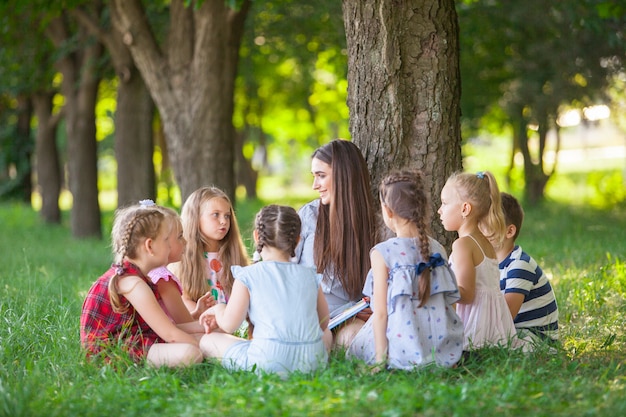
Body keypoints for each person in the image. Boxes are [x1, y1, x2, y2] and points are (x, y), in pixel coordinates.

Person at [347, 170, 464, 370]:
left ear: (388, 211)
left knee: (352, 343)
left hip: (401, 348)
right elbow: (450, 304)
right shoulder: (438, 249)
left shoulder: (382, 253)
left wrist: (379, 361)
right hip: (440, 348)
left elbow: (381, 313)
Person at [198, 205, 331, 375]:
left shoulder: (248, 275)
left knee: (208, 341)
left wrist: (218, 309)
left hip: (267, 362)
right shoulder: (310, 276)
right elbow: (324, 323)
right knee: (327, 335)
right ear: (297, 240)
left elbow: (230, 325)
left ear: (256, 236)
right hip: (312, 362)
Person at [80, 200, 206, 367]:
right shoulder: (134, 284)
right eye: (167, 240)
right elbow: (171, 334)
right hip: (114, 352)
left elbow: (169, 327)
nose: (170, 246)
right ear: (150, 246)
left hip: (136, 339)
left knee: (199, 339)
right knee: (190, 353)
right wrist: (203, 348)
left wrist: (204, 327)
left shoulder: (138, 278)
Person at [294, 139, 377, 346]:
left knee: (351, 340)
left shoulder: (375, 223)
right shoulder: (308, 216)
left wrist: (372, 305)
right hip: (307, 317)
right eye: (314, 176)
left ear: (343, 176)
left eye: (321, 176)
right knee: (319, 342)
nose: (315, 186)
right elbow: (283, 268)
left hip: (349, 318)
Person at [438, 171, 520, 350]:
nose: (440, 210)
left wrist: (438, 285)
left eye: (444, 203)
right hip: (495, 330)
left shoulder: (463, 245)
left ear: (465, 209)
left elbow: (467, 295)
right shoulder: (485, 242)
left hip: (475, 330)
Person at [170, 186, 249, 319]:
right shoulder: (183, 259)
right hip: (202, 322)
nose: (224, 221)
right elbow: (184, 299)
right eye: (216, 215)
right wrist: (202, 313)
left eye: (227, 216)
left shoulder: (232, 255)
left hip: (235, 321)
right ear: (195, 218)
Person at [495, 192, 559, 344]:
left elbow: (504, 317)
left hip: (536, 338)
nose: (479, 229)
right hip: (514, 331)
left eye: (488, 223)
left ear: (509, 231)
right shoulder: (490, 264)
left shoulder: (519, 265)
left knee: (477, 348)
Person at [147, 206, 196, 323]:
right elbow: (185, 323)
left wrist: (196, 313)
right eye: (180, 236)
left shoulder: (149, 272)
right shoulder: (163, 279)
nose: (185, 241)